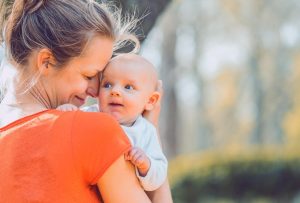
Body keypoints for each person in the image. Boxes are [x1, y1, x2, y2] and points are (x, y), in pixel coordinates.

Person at [0, 0, 172, 202]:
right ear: (46, 62)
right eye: (89, 75)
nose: (94, 91)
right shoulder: (92, 131)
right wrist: (149, 129)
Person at [59, 53, 168, 191]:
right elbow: (66, 133)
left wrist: (146, 165)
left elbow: (159, 175)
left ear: (150, 101)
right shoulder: (90, 115)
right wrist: (67, 112)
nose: (115, 91)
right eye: (107, 84)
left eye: (128, 87)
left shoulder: (145, 131)